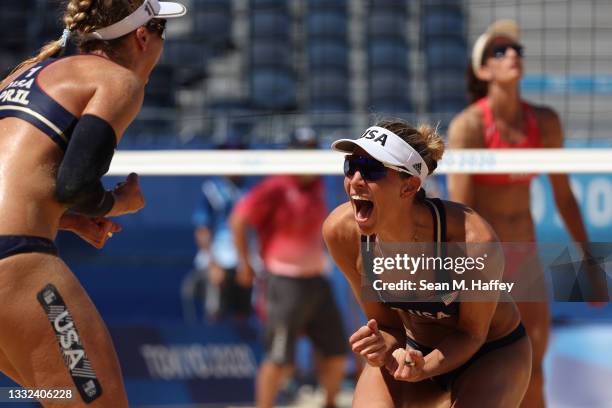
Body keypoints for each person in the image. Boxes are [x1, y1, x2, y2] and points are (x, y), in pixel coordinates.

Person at [0, 0, 186, 405]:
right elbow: (75, 185)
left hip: (10, 256)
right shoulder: (118, 80)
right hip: (14, 264)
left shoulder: (22, 75)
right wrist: (118, 202)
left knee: (60, 398)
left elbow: (18, 179)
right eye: (161, 34)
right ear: (142, 37)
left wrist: (65, 220)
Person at [447, 20, 605, 408]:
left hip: (527, 260)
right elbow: (459, 213)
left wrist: (590, 264)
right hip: (483, 263)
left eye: (516, 48)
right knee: (479, 374)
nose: (513, 54)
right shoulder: (469, 126)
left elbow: (565, 199)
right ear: (483, 71)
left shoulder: (544, 122)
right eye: (499, 51)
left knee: (534, 370)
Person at [323, 119, 532, 407]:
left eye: (371, 170)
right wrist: (383, 347)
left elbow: (472, 334)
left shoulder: (472, 241)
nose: (355, 180)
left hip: (490, 351)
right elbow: (387, 326)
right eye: (351, 165)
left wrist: (425, 366)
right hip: (413, 351)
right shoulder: (341, 232)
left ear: (409, 187)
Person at [229, 130, 347, 408]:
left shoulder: (319, 182)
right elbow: (238, 220)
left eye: (312, 151)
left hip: (318, 279)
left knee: (336, 352)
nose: (309, 157)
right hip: (284, 282)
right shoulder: (275, 186)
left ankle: (330, 403)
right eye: (302, 151)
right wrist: (245, 264)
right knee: (279, 358)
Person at [190, 163, 251, 321]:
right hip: (217, 262)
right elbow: (202, 229)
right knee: (215, 313)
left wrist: (247, 263)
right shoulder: (211, 190)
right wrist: (213, 264)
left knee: (245, 316)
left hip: (245, 263)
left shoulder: (249, 190)